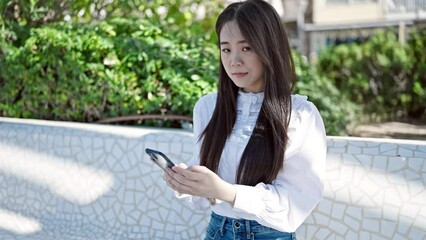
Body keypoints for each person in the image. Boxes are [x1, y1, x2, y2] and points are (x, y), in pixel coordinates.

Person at [163, 0, 327, 239]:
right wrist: (187, 182)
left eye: (246, 48)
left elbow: (296, 204)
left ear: (269, 48)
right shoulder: (208, 107)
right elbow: (204, 199)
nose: (234, 61)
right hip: (217, 231)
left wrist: (227, 191)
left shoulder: (300, 115)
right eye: (226, 49)